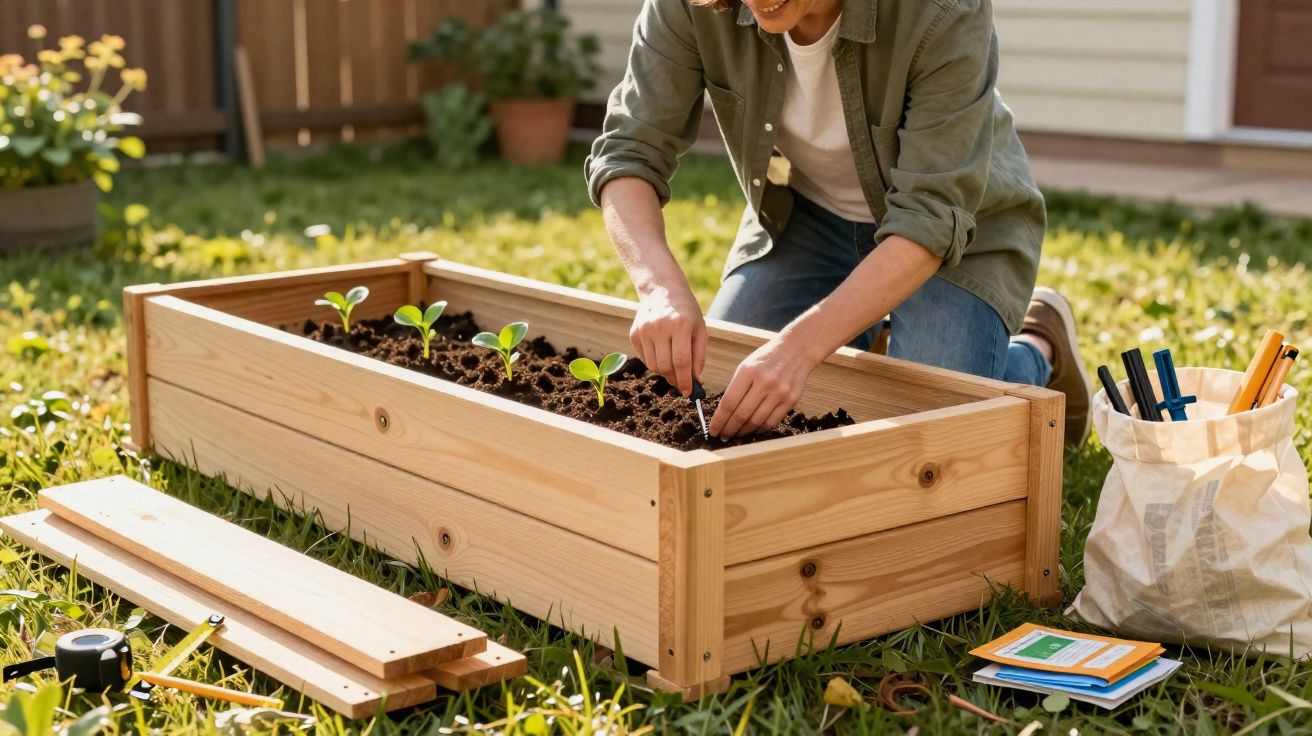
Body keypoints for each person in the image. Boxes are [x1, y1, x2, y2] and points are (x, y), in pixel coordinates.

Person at [585, 0, 1092, 445]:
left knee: (931, 435)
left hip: (954, 237)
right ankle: (867, 334)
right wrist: (658, 288)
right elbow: (629, 151)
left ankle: (1037, 348)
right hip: (807, 220)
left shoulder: (944, 9)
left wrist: (798, 349)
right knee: (730, 390)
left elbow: (931, 216)